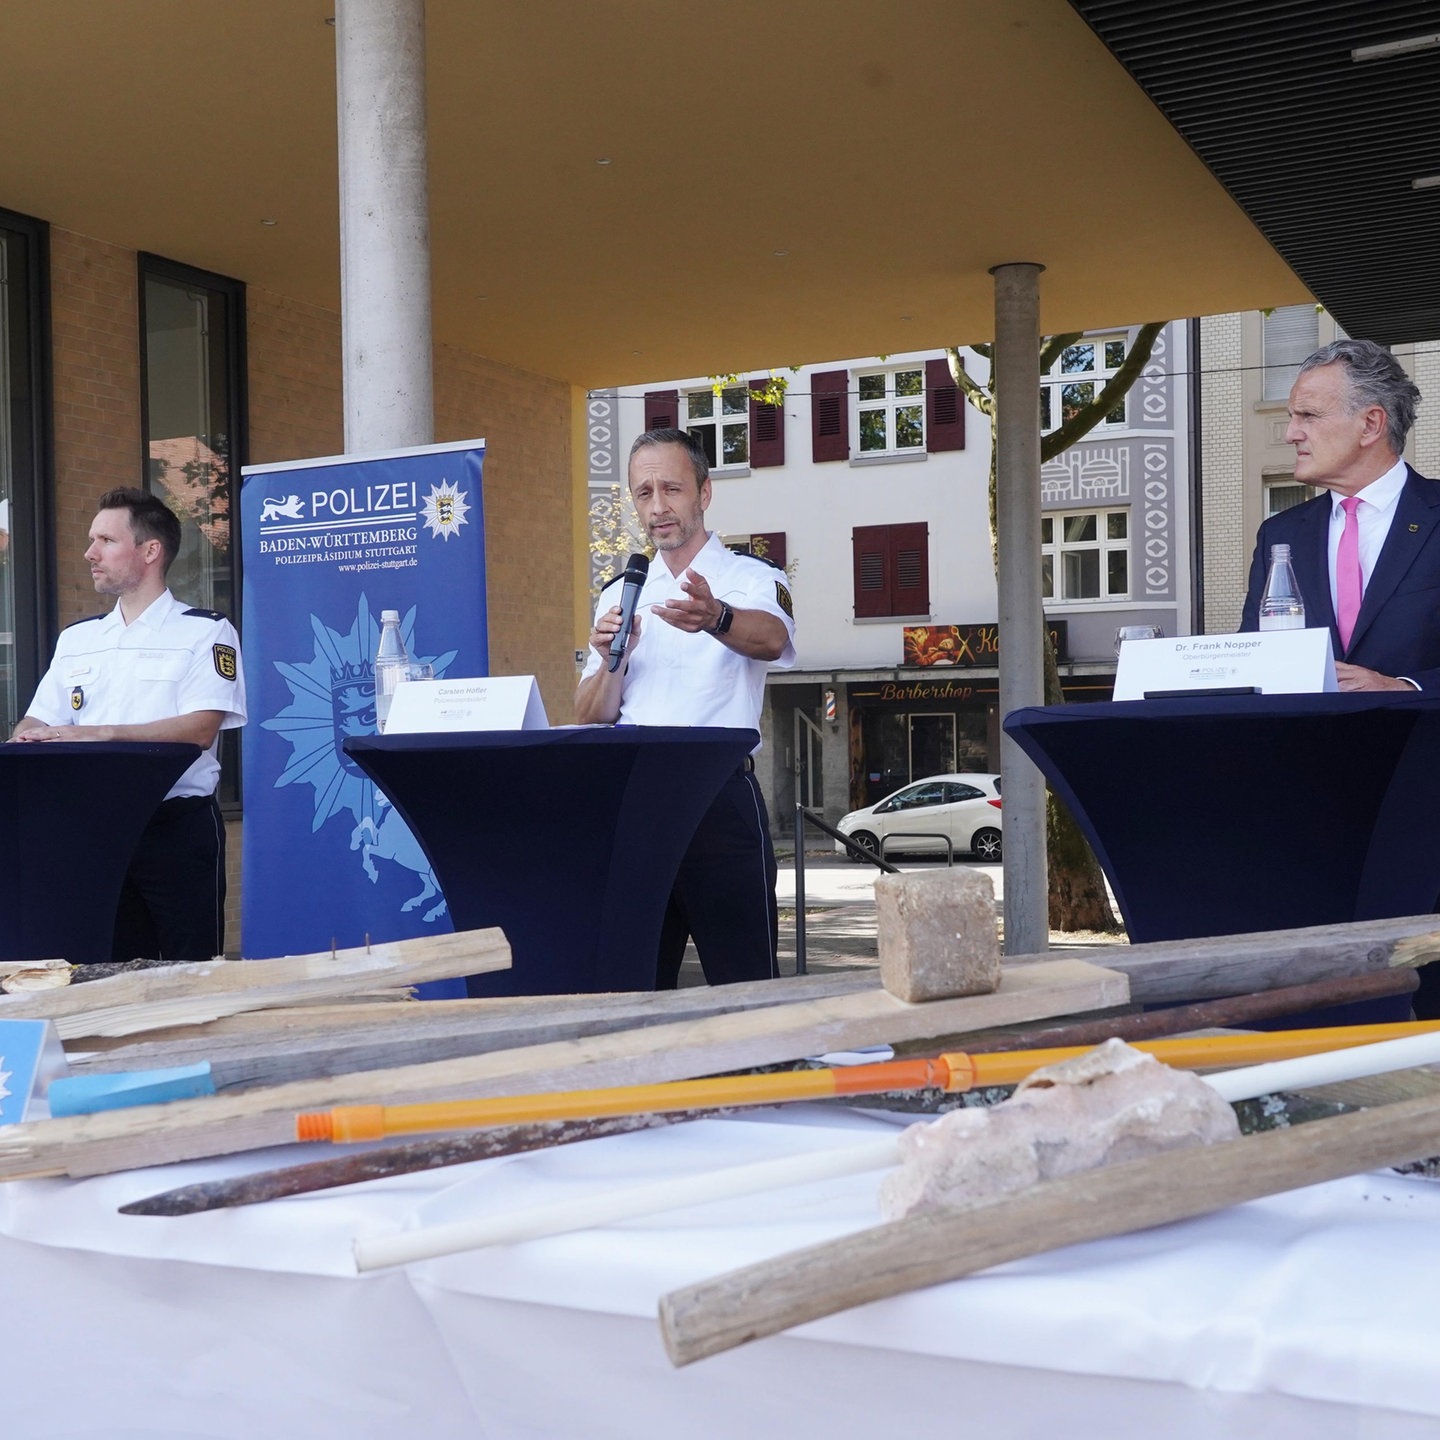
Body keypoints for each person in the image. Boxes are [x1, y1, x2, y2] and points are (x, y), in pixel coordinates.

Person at [576, 427, 796, 986]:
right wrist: (610, 658)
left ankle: (760, 1075)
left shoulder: (751, 576)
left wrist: (715, 617)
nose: (657, 507)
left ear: (704, 492)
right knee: (637, 978)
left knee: (744, 976)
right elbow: (590, 714)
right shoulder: (621, 590)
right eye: (643, 493)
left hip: (717, 795)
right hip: (635, 798)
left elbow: (771, 640)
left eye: (671, 489)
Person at [10, 487, 246, 963]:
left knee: (190, 972)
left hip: (175, 829)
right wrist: (27, 736)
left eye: (105, 541)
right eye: (91, 540)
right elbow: (41, 716)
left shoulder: (205, 631)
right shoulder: (78, 639)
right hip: (95, 832)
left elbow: (201, 727)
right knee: (104, 968)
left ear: (150, 550)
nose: (89, 553)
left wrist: (99, 733)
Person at [1240, 338, 1434, 689]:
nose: (1290, 434)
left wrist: (1407, 688)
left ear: (1371, 425)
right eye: (1291, 417)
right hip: (1312, 742)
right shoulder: (1280, 534)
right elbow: (1254, 658)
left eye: (1309, 416)